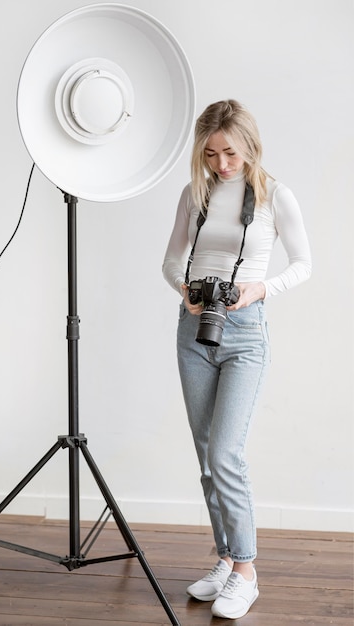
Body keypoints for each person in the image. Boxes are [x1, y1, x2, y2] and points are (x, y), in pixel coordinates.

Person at [162, 99, 311, 620]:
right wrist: (183, 288)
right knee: (207, 456)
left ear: (249, 144)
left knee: (226, 452)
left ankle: (247, 571)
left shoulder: (275, 195)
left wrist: (259, 290)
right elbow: (171, 259)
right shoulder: (194, 193)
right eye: (210, 154)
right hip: (194, 327)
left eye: (230, 152)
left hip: (245, 331)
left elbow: (304, 263)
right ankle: (225, 559)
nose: (222, 164)